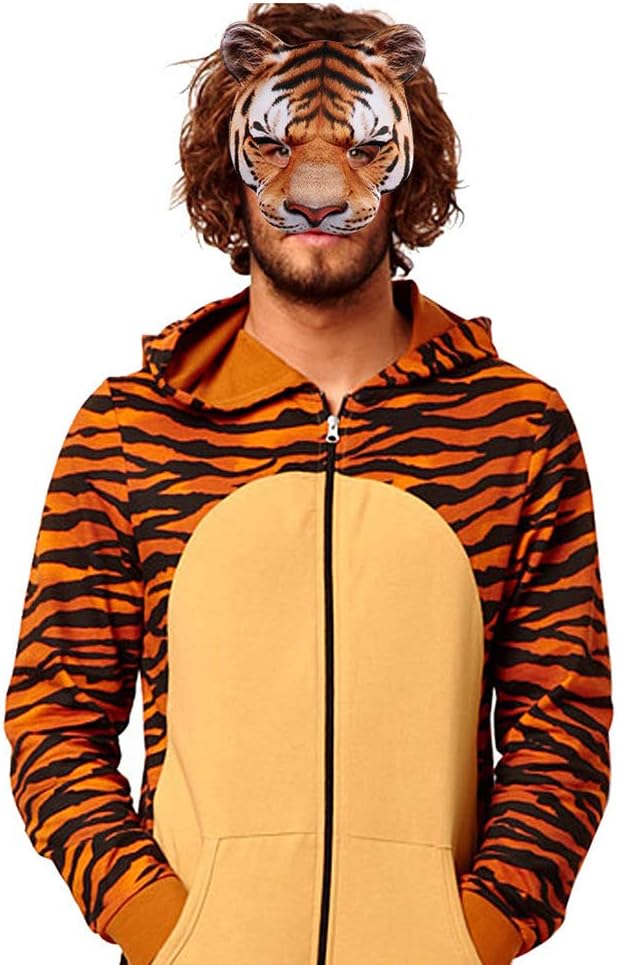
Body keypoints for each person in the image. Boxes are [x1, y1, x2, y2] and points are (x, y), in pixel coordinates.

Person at [4, 4, 612, 965]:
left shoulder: (514, 425)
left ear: (410, 163)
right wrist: (166, 931)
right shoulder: (131, 427)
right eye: (275, 146)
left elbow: (562, 721)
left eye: (363, 149)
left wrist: (473, 936)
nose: (319, 190)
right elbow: (54, 713)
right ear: (225, 166)